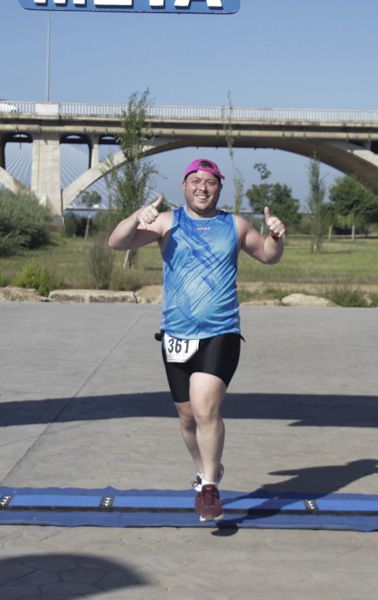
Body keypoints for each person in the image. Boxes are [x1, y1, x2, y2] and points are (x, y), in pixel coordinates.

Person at [107, 158, 285, 522]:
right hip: (175, 335)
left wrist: (276, 238)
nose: (202, 187)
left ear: (219, 187)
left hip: (221, 332)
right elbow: (116, 242)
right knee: (187, 418)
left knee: (205, 409)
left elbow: (267, 256)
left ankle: (208, 487)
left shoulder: (234, 225)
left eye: (210, 182)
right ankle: (209, 469)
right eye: (195, 181)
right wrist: (135, 218)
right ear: (184, 186)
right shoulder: (168, 221)